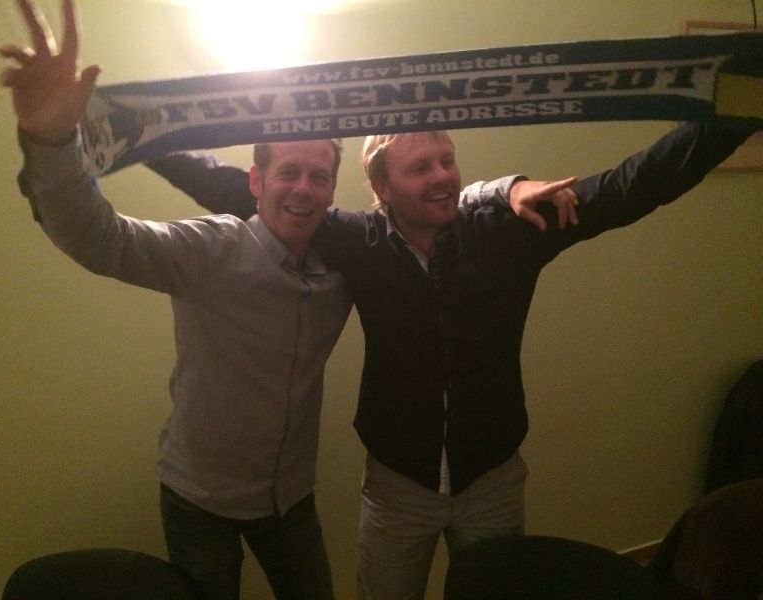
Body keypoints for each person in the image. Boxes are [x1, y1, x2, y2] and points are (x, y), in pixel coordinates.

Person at [0, 2, 577, 598]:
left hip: (291, 502)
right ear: (256, 182)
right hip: (199, 498)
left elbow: (424, 215)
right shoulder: (207, 250)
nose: (304, 189)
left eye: (318, 177)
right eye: (289, 173)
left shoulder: (344, 268)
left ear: (332, 190)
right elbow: (96, 237)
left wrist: (504, 187)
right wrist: (50, 140)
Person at [149, 111, 760, 600]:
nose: (442, 176)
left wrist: (736, 112)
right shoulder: (356, 240)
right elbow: (233, 186)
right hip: (395, 487)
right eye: (420, 168)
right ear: (382, 189)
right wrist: (139, 134)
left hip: (493, 480)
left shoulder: (512, 229)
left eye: (447, 160)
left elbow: (632, 186)